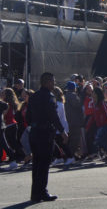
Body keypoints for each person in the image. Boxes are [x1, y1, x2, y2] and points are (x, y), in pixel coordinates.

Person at [26, 72, 67, 202]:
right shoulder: (49, 96)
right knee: (44, 164)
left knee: (37, 164)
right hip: (45, 133)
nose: (54, 84)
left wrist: (33, 125)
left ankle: (35, 193)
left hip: (34, 132)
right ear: (47, 82)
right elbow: (53, 115)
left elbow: (28, 116)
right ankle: (42, 192)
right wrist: (62, 131)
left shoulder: (33, 96)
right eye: (52, 81)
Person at [85, 87, 107, 161]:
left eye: (93, 93)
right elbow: (93, 116)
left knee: (99, 140)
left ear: (97, 94)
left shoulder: (102, 103)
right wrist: (88, 125)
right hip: (100, 125)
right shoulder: (94, 104)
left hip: (106, 124)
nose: (92, 94)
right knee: (106, 140)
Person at [51, 87, 75, 166]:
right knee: (57, 143)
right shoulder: (59, 103)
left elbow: (56, 116)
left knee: (62, 144)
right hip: (60, 127)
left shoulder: (58, 104)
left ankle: (70, 157)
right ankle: (59, 157)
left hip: (61, 127)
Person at [64, 81, 84, 159]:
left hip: (69, 120)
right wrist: (81, 98)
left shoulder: (66, 95)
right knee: (75, 138)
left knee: (71, 138)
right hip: (75, 120)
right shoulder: (72, 95)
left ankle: (71, 154)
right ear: (74, 88)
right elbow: (77, 104)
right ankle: (71, 155)